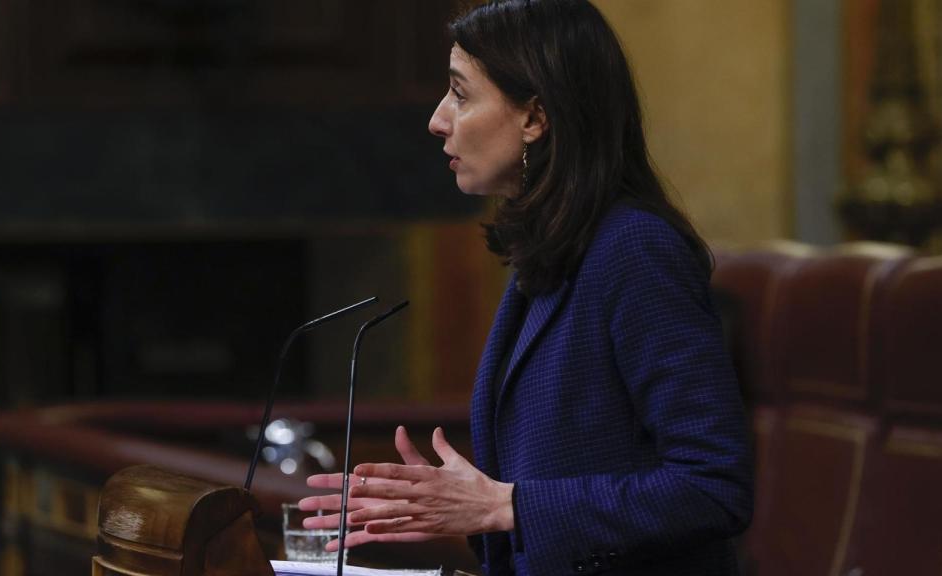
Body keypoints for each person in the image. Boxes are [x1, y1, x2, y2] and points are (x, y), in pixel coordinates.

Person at [299, 1, 753, 574]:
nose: (438, 120)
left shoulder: (636, 250)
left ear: (535, 117)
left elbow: (712, 488)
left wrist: (504, 504)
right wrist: (454, 508)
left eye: (461, 95)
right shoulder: (553, 253)